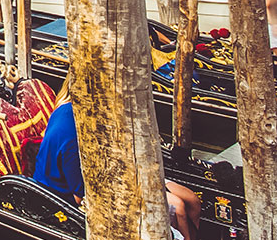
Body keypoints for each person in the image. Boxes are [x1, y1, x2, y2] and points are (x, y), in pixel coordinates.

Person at [34, 92, 200, 239]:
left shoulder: (90, 115)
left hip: (124, 172)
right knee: (178, 208)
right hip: (84, 193)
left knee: (192, 200)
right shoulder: (71, 133)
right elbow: (80, 196)